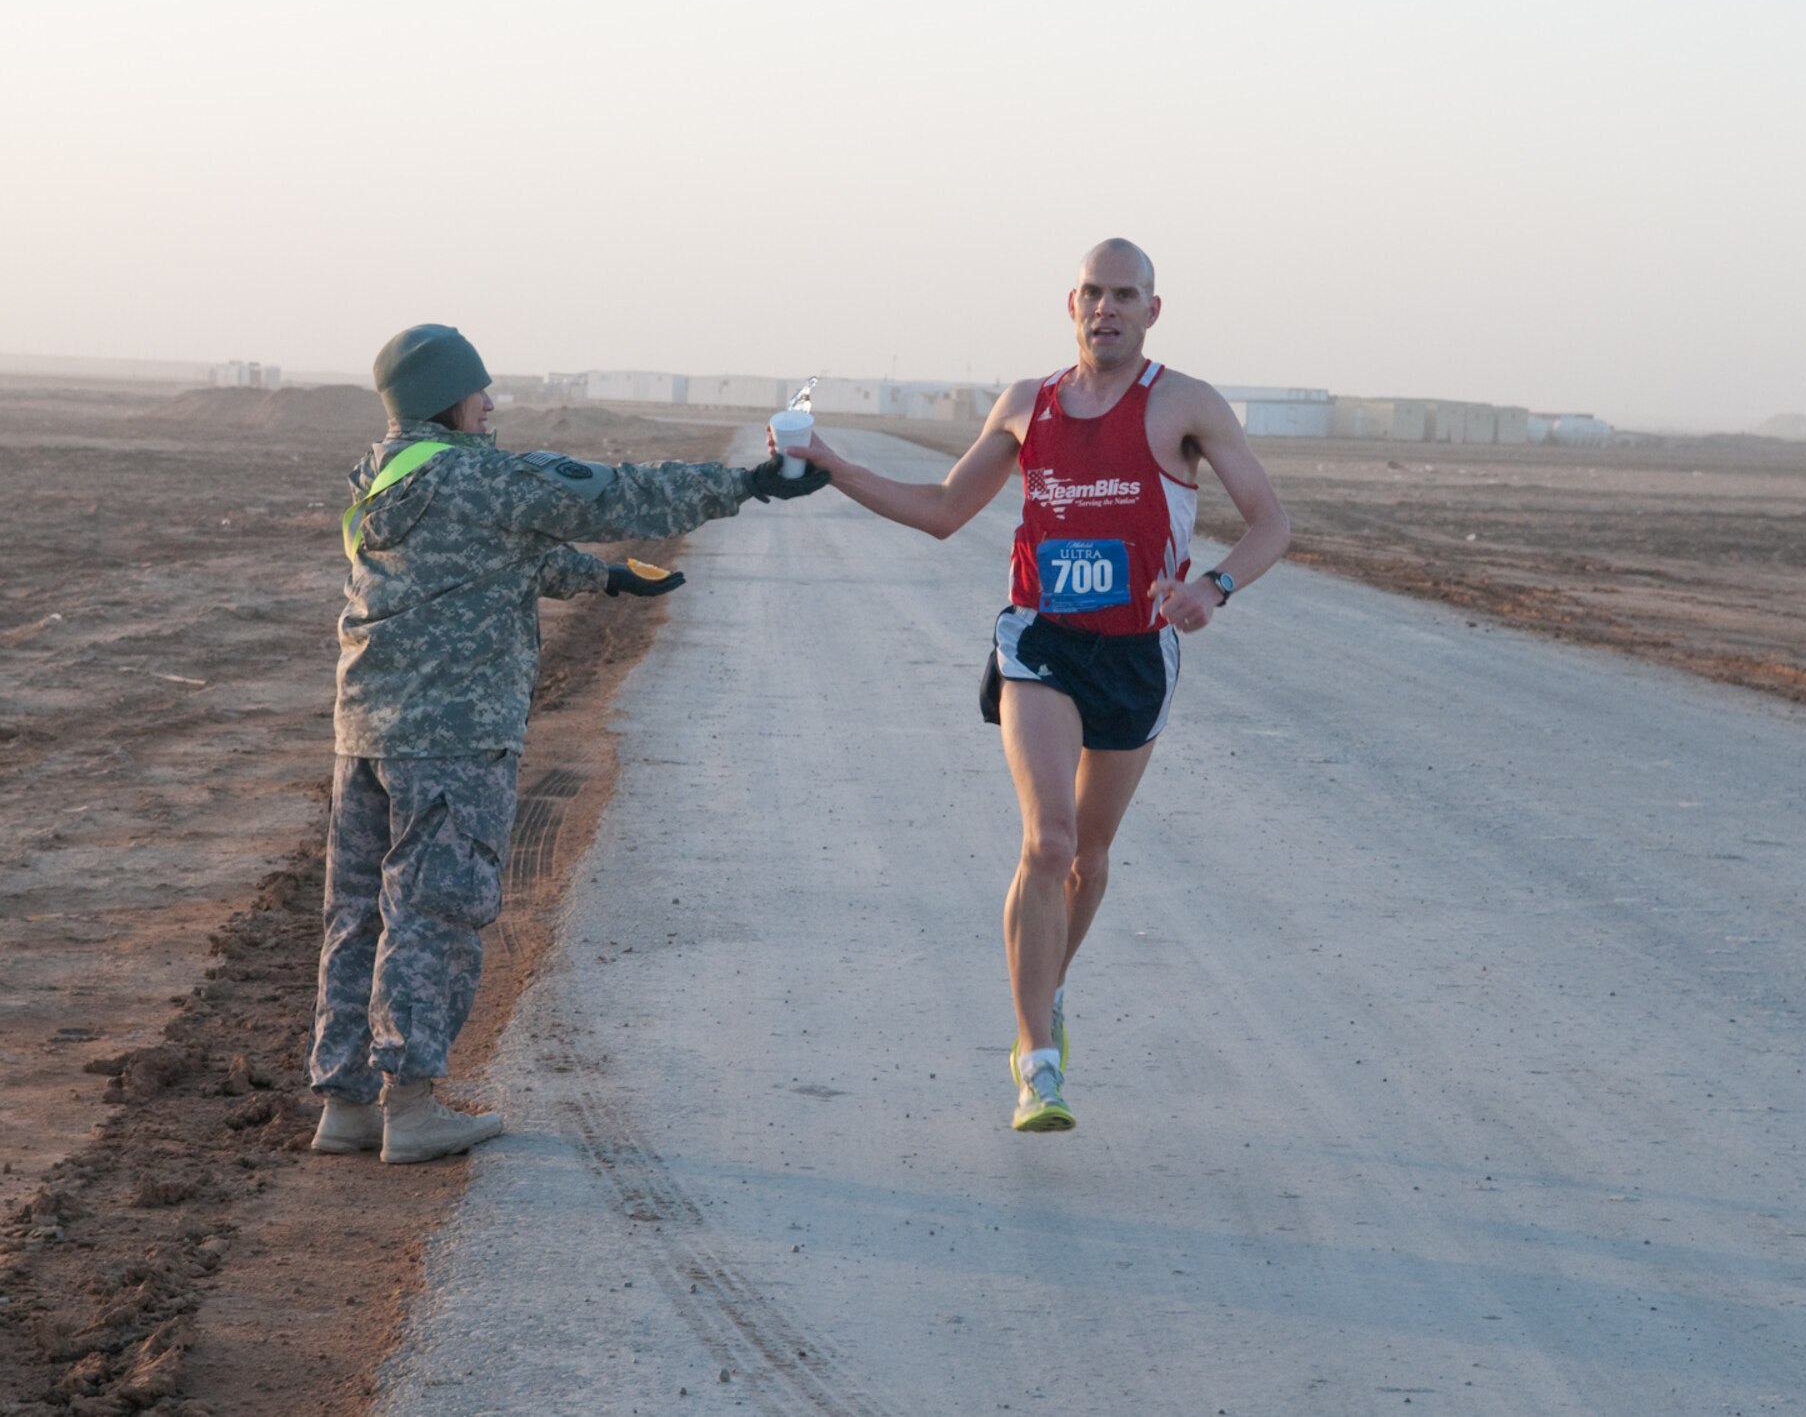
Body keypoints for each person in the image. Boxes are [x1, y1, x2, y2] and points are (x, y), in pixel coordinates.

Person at [780, 240, 1290, 1131]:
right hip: (1041, 642)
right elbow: (943, 511)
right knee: (1047, 843)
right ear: (1071, 303)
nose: (1107, 308)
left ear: (1152, 311)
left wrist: (1212, 586)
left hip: (1138, 652)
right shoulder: (1027, 404)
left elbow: (1272, 522)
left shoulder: (1184, 404)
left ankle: (1041, 991)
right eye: (1093, 292)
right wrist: (836, 465)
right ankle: (1037, 1062)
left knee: (1089, 861)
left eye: (1125, 295)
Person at [311, 323, 828, 1163]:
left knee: (358, 912)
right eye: (481, 389)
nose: (492, 403)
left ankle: (345, 1104)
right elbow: (617, 495)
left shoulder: (381, 480)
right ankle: (411, 1107)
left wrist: (605, 577)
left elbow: (484, 565)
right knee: (432, 912)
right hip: (455, 736)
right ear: (449, 395)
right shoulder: (487, 475)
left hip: (363, 731)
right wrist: (746, 485)